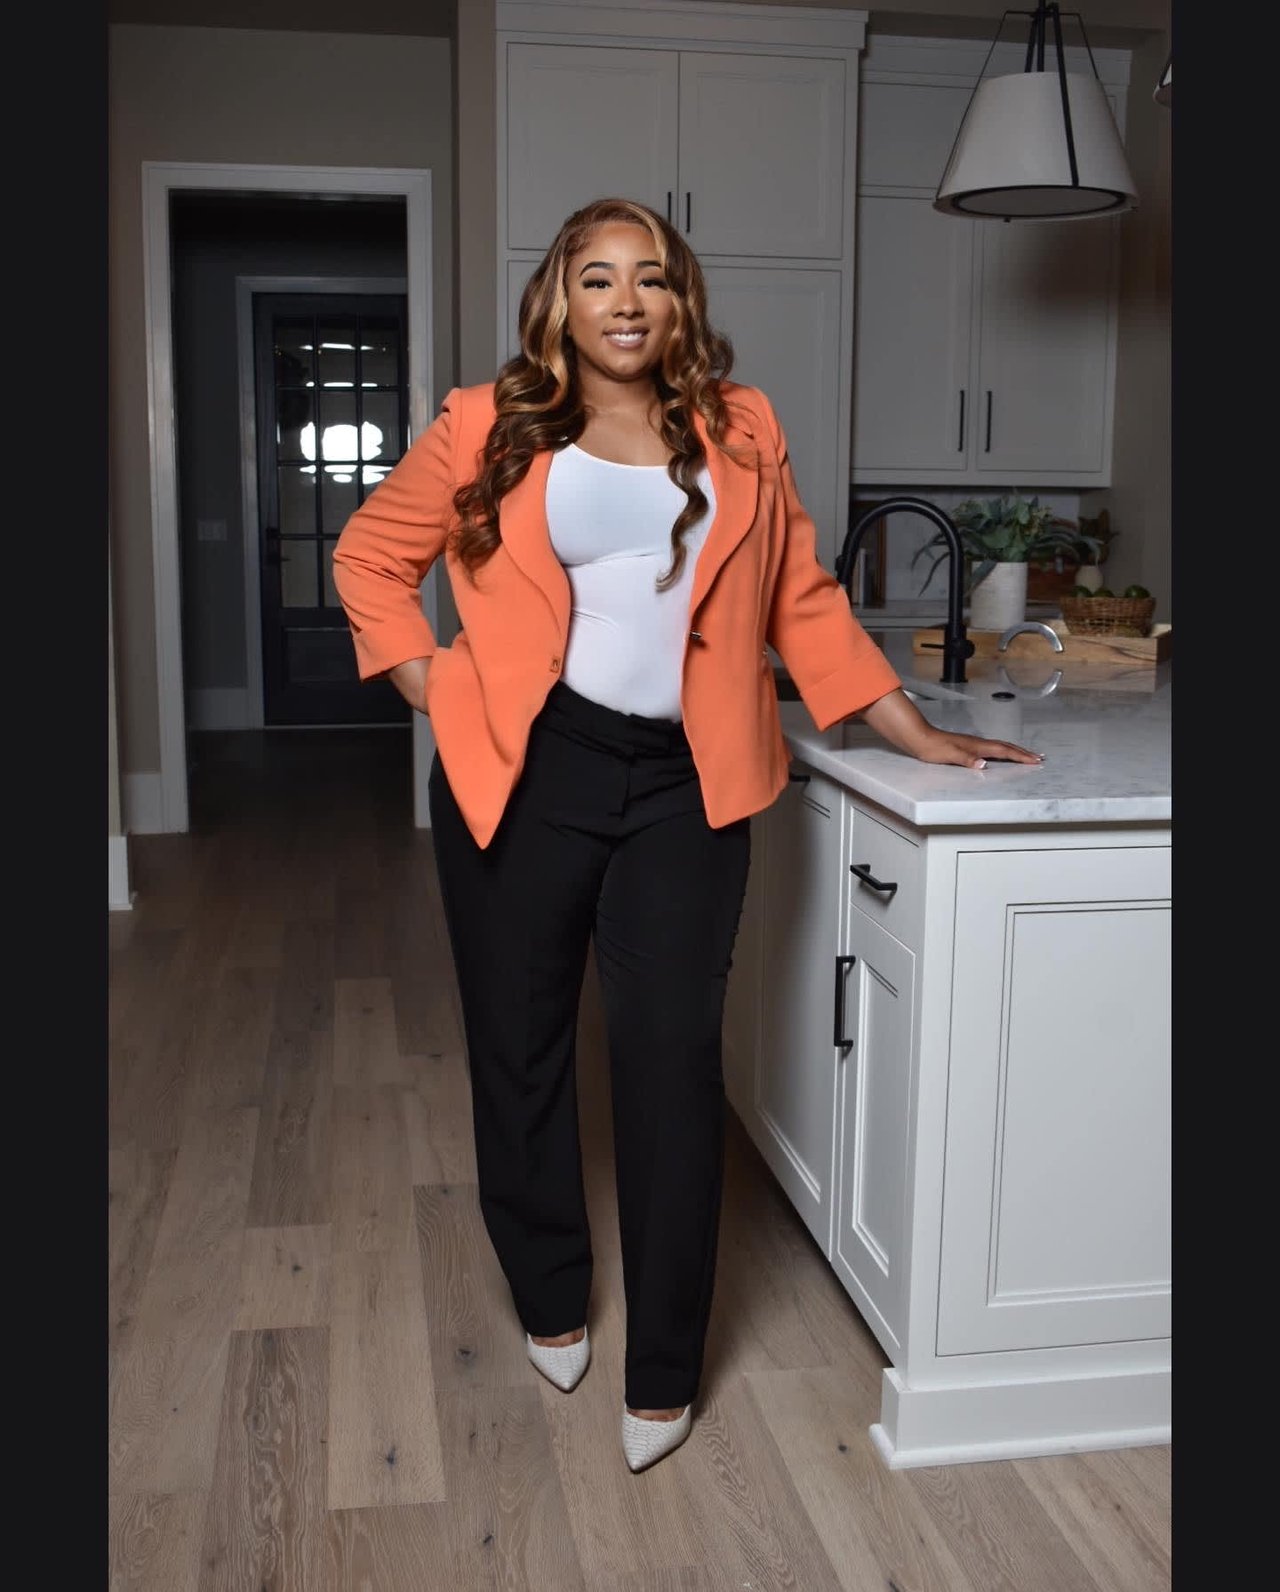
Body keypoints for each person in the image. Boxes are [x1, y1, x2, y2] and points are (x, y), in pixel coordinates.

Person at [332, 196, 1041, 1474]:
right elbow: (371, 561)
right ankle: (550, 1290)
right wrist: (437, 683)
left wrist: (912, 734)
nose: (623, 299)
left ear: (678, 302)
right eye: (595, 276)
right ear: (559, 298)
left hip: (685, 786)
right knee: (522, 1043)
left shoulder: (741, 428)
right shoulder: (481, 426)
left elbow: (803, 604)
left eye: (648, 277)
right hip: (525, 767)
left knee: (668, 1062)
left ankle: (662, 1366)